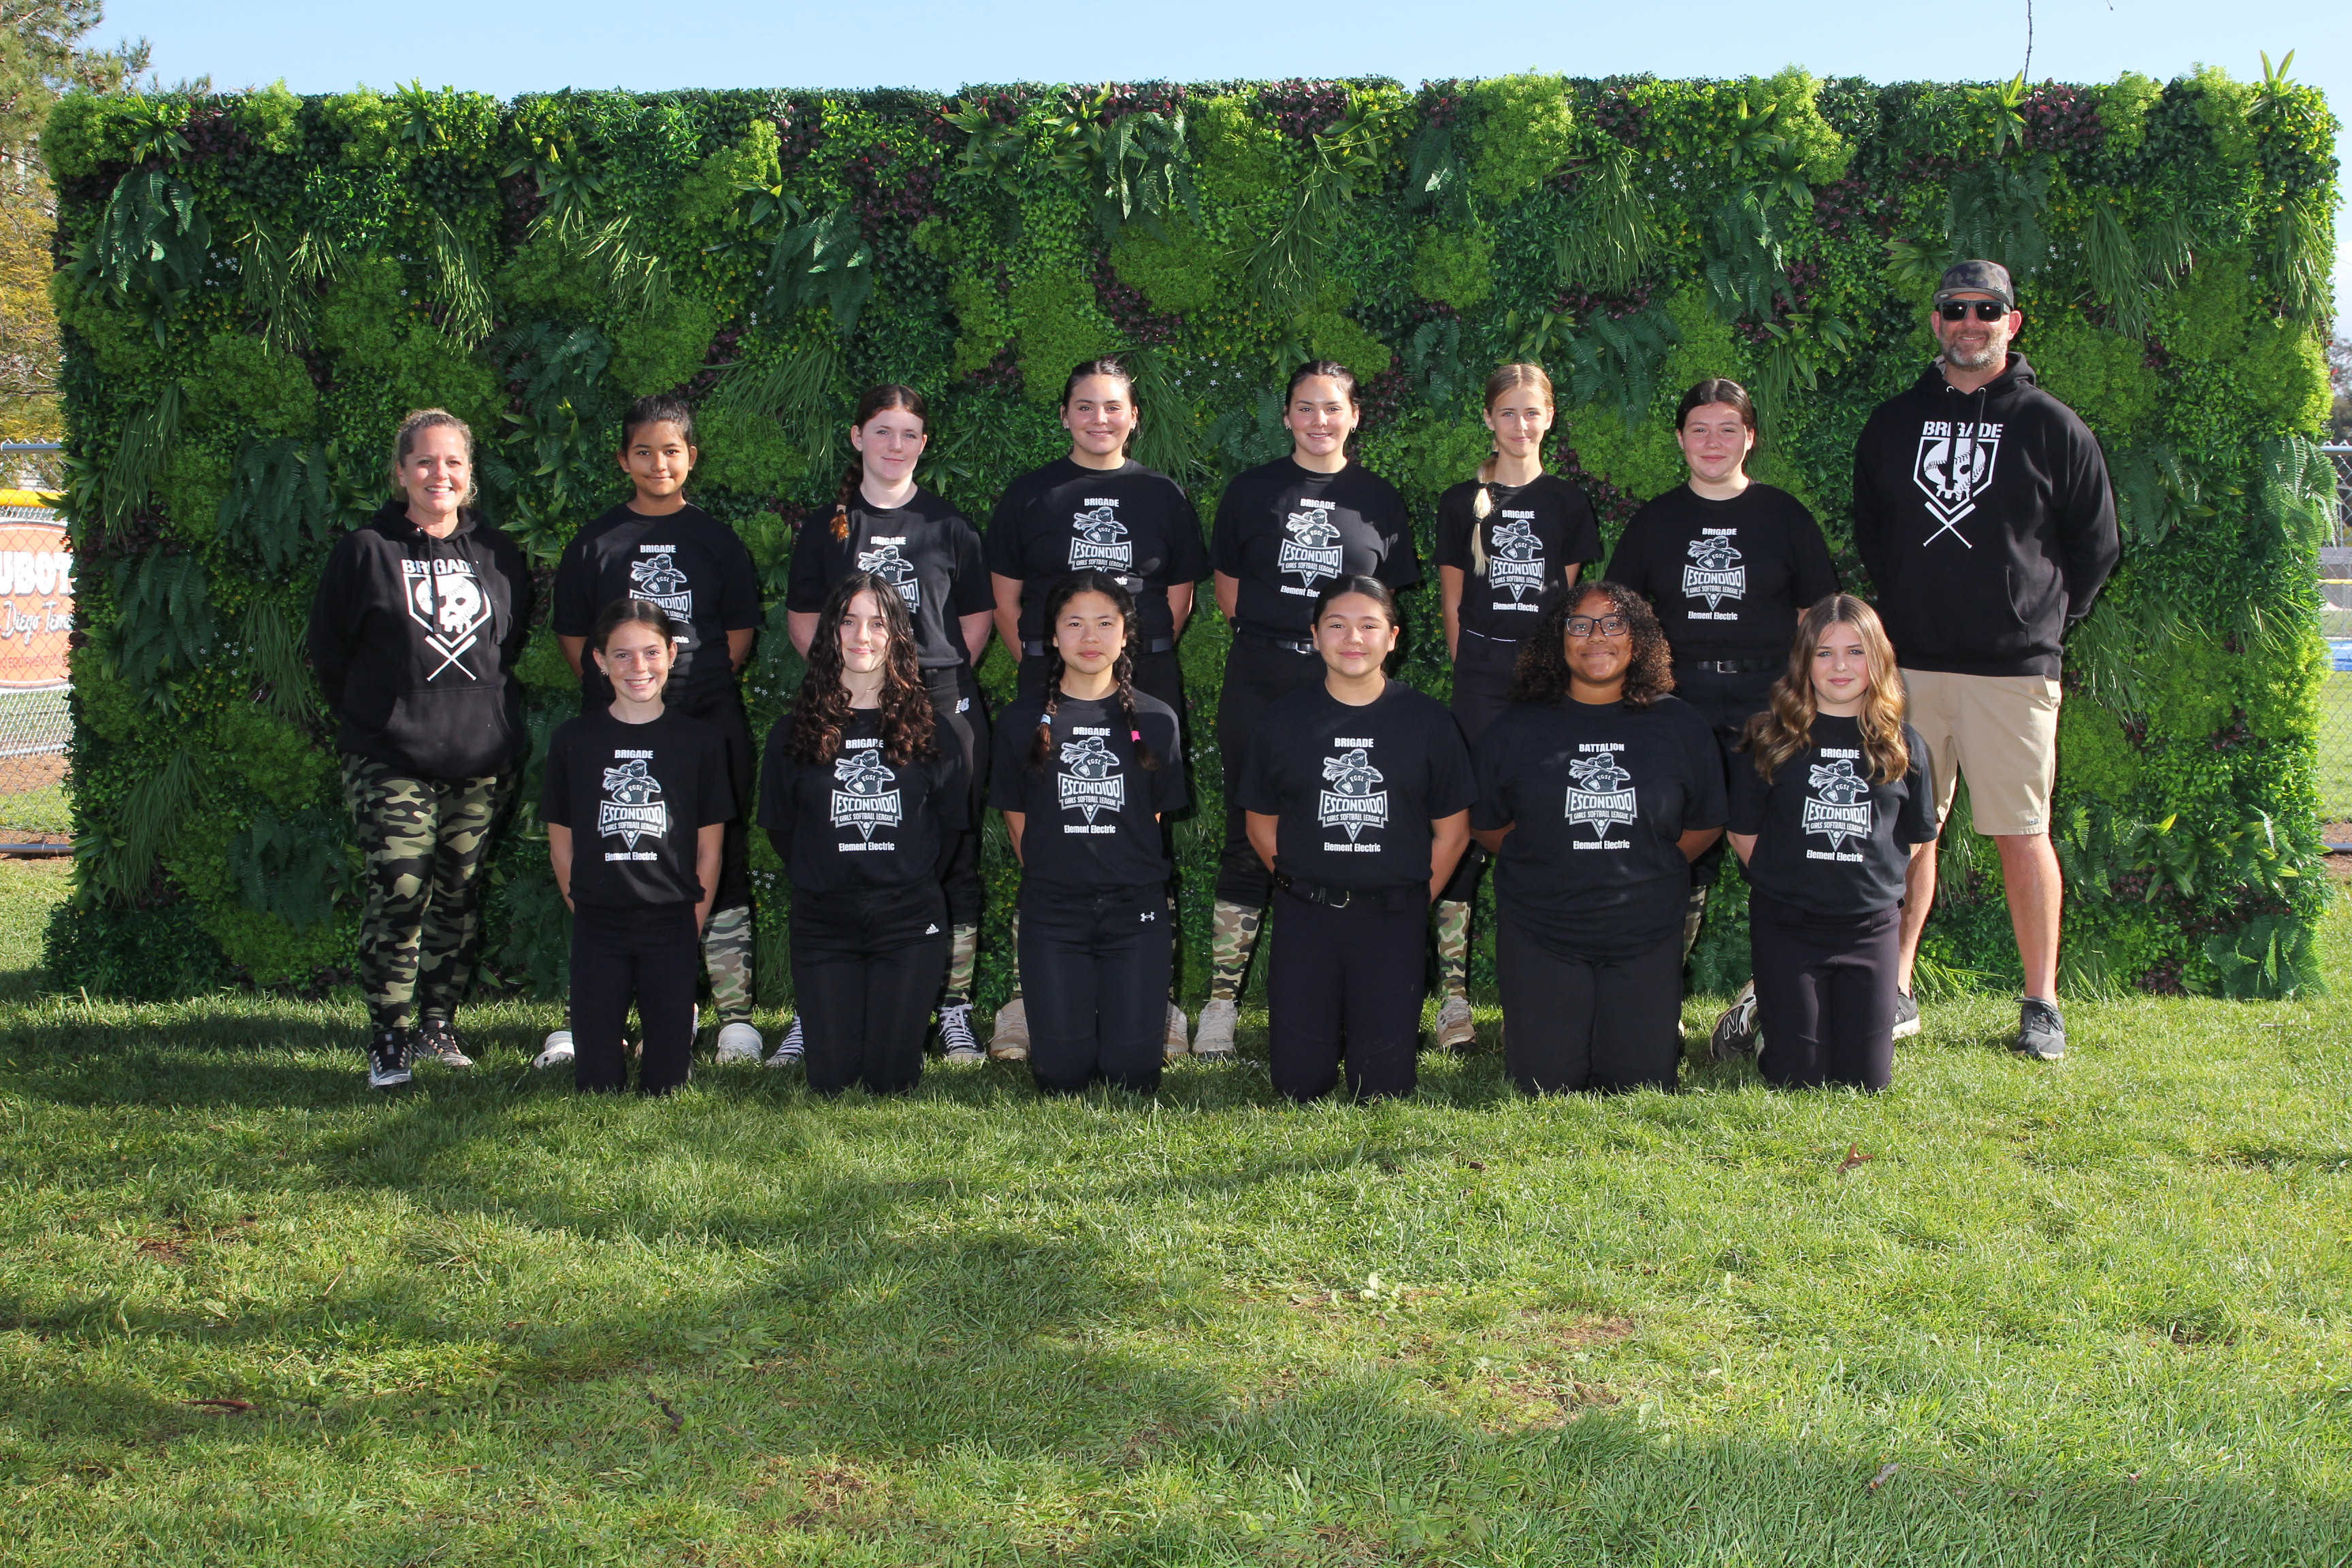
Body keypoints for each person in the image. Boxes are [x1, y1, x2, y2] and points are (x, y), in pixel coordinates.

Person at [1852, 260, 2119, 1061]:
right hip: (1913, 668)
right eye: (1956, 309)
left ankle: (2042, 1002)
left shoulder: (2051, 425)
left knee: (2023, 833)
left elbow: (2096, 544)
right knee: (1907, 832)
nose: (1971, 323)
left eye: (1987, 310)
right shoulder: (1894, 423)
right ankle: (1894, 987)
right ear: (1937, 321)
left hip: (2014, 672)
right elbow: (1874, 533)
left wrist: (2042, 621)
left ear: (2013, 322)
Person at [984, 357, 1207, 1062]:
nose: (1099, 418)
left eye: (1113, 406)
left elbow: (1178, 598)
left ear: (1134, 417)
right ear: (1064, 415)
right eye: (1085, 406)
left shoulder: (1161, 494)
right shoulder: (1032, 494)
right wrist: (1056, 662)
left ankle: (1152, 1001)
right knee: (1047, 815)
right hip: (1052, 676)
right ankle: (1034, 997)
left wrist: (1121, 660)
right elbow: (1006, 598)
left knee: (1138, 817)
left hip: (1142, 674)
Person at [1605, 378, 1838, 1054]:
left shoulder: (1784, 517)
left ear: (1750, 437)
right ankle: (1655, 998)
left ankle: (1780, 994)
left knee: (1779, 853)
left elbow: (1820, 621)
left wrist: (1814, 706)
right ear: (1680, 438)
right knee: (1673, 857)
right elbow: (1618, 619)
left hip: (1771, 707)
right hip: (1679, 709)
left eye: (1728, 429)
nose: (1714, 442)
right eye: (1700, 429)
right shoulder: (1655, 522)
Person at [308, 408, 534, 1090]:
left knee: (459, 893)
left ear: (470, 473)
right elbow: (330, 654)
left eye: (454, 462)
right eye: (426, 461)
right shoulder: (365, 551)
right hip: (390, 756)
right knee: (403, 887)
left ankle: (437, 1025)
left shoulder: (499, 554)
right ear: (402, 471)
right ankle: (389, 1035)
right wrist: (385, 718)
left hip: (480, 760)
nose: (441, 474)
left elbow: (508, 644)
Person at [540, 395, 766, 1075]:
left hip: (706, 721)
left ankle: (731, 1012)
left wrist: (685, 698)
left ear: (691, 457)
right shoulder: (596, 542)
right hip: (616, 726)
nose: (658, 463)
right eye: (644, 451)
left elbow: (738, 633)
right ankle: (598, 1011)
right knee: (610, 850)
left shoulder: (716, 541)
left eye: (671, 451)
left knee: (718, 857)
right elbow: (575, 636)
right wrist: (630, 694)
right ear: (623, 460)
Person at [1202, 361, 1421, 1059]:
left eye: (1332, 408)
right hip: (1262, 679)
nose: (1319, 420)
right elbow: (1230, 590)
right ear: (1287, 416)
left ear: (1355, 416)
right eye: (1305, 407)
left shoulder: (1378, 498)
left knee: (1357, 828)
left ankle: (1357, 992)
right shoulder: (1252, 490)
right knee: (1248, 833)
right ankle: (1221, 1003)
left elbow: (1385, 603)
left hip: (1353, 690)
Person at [787, 385, 995, 1063]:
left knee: (952, 855)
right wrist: (851, 680)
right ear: (857, 438)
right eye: (882, 431)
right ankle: (817, 1006)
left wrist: (918, 683)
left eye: (908, 433)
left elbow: (975, 621)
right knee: (832, 837)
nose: (894, 445)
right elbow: (804, 621)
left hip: (938, 699)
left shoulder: (950, 525)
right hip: (849, 699)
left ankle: (953, 1006)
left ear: (924, 444)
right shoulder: (827, 527)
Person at [1469, 583, 1725, 1096]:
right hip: (1544, 929)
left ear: (1638, 638)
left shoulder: (1679, 724)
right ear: (1559, 639)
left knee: (1639, 1085)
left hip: (1644, 930)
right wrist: (1546, 859)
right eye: (1580, 625)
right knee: (1545, 1085)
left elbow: (1707, 820)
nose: (1596, 637)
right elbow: (1487, 822)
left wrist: (1653, 865)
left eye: (1613, 624)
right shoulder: (1517, 726)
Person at [1237, 576, 1474, 1103]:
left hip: (1393, 917)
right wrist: (1299, 883)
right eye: (1337, 625)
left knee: (1383, 1088)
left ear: (1393, 637)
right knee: (1299, 1084)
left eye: (1369, 626)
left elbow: (1454, 832)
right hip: (1307, 916)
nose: (1353, 638)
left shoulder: (1428, 722)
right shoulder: (1281, 721)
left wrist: (1413, 899)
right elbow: (1260, 823)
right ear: (1314, 635)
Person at [1431, 362, 1601, 1050]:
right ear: (1488, 419)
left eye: (1532, 412)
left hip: (1547, 682)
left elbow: (1565, 605)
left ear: (1549, 418)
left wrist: (1554, 678)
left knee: (1547, 825)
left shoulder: (1567, 502)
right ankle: (1453, 999)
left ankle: (1548, 982)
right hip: (1480, 679)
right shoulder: (1460, 502)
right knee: (1469, 828)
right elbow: (1452, 602)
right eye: (1508, 412)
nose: (1520, 424)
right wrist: (1473, 671)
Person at [757, 573, 964, 1096]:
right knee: (832, 1081)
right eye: (848, 622)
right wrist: (831, 872)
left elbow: (948, 829)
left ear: (898, 636)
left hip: (908, 920)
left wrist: (900, 876)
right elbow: (783, 828)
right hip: (824, 923)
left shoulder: (934, 731)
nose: (861, 636)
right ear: (830, 632)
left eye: (877, 623)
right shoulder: (792, 732)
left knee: (890, 1080)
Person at [1728, 595, 1938, 1092]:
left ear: (1878, 659)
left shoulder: (1903, 745)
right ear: (1804, 661)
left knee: (1866, 1081)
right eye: (1825, 653)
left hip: (1869, 932)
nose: (1840, 666)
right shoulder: (1771, 739)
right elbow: (1743, 831)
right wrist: (1790, 881)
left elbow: (1914, 838)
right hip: (1789, 928)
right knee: (1798, 1079)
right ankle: (1760, 1016)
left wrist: (1865, 882)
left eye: (1855, 652)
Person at [990, 571, 1187, 1094]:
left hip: (1135, 912)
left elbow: (1152, 819)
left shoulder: (1157, 719)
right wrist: (1060, 876)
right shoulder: (1020, 721)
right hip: (1053, 913)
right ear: (1054, 636)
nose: (1090, 637)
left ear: (1125, 635)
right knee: (1061, 1076)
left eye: (1105, 623)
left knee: (1132, 1077)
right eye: (1074, 623)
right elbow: (1017, 818)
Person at [541, 601, 733, 1095]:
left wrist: (691, 921)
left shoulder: (701, 742)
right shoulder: (573, 741)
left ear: (671, 654)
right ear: (599, 661)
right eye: (622, 655)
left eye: (650, 652)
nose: (638, 667)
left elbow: (709, 851)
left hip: (671, 920)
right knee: (597, 1083)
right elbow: (561, 846)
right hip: (598, 921)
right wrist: (583, 907)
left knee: (666, 1084)